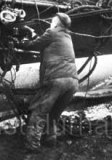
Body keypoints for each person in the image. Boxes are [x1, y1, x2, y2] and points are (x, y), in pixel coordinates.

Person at [20, 13, 78, 151]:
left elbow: (31, 45)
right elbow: (45, 44)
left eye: (52, 21)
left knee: (39, 112)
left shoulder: (52, 32)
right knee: (54, 114)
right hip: (73, 82)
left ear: (57, 23)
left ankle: (32, 146)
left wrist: (21, 41)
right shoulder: (67, 37)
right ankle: (51, 139)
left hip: (56, 80)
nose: (50, 23)